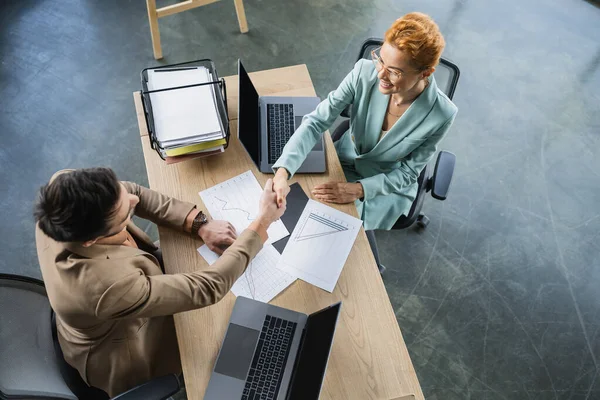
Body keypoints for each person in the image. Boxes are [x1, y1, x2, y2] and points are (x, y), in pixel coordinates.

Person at [34, 168, 284, 397]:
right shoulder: (103, 287)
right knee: (222, 340)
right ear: (91, 240)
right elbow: (207, 288)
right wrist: (261, 224)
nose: (133, 201)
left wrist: (200, 224)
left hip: (130, 286)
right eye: (125, 215)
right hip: (125, 346)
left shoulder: (63, 189)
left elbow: (133, 192)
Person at [272, 12, 458, 230]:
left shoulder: (442, 114)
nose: (380, 75)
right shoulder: (363, 72)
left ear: (426, 73)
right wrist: (282, 172)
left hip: (384, 183)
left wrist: (360, 189)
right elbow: (316, 122)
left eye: (395, 71)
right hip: (345, 161)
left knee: (335, 229)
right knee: (301, 216)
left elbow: (408, 173)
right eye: (380, 60)